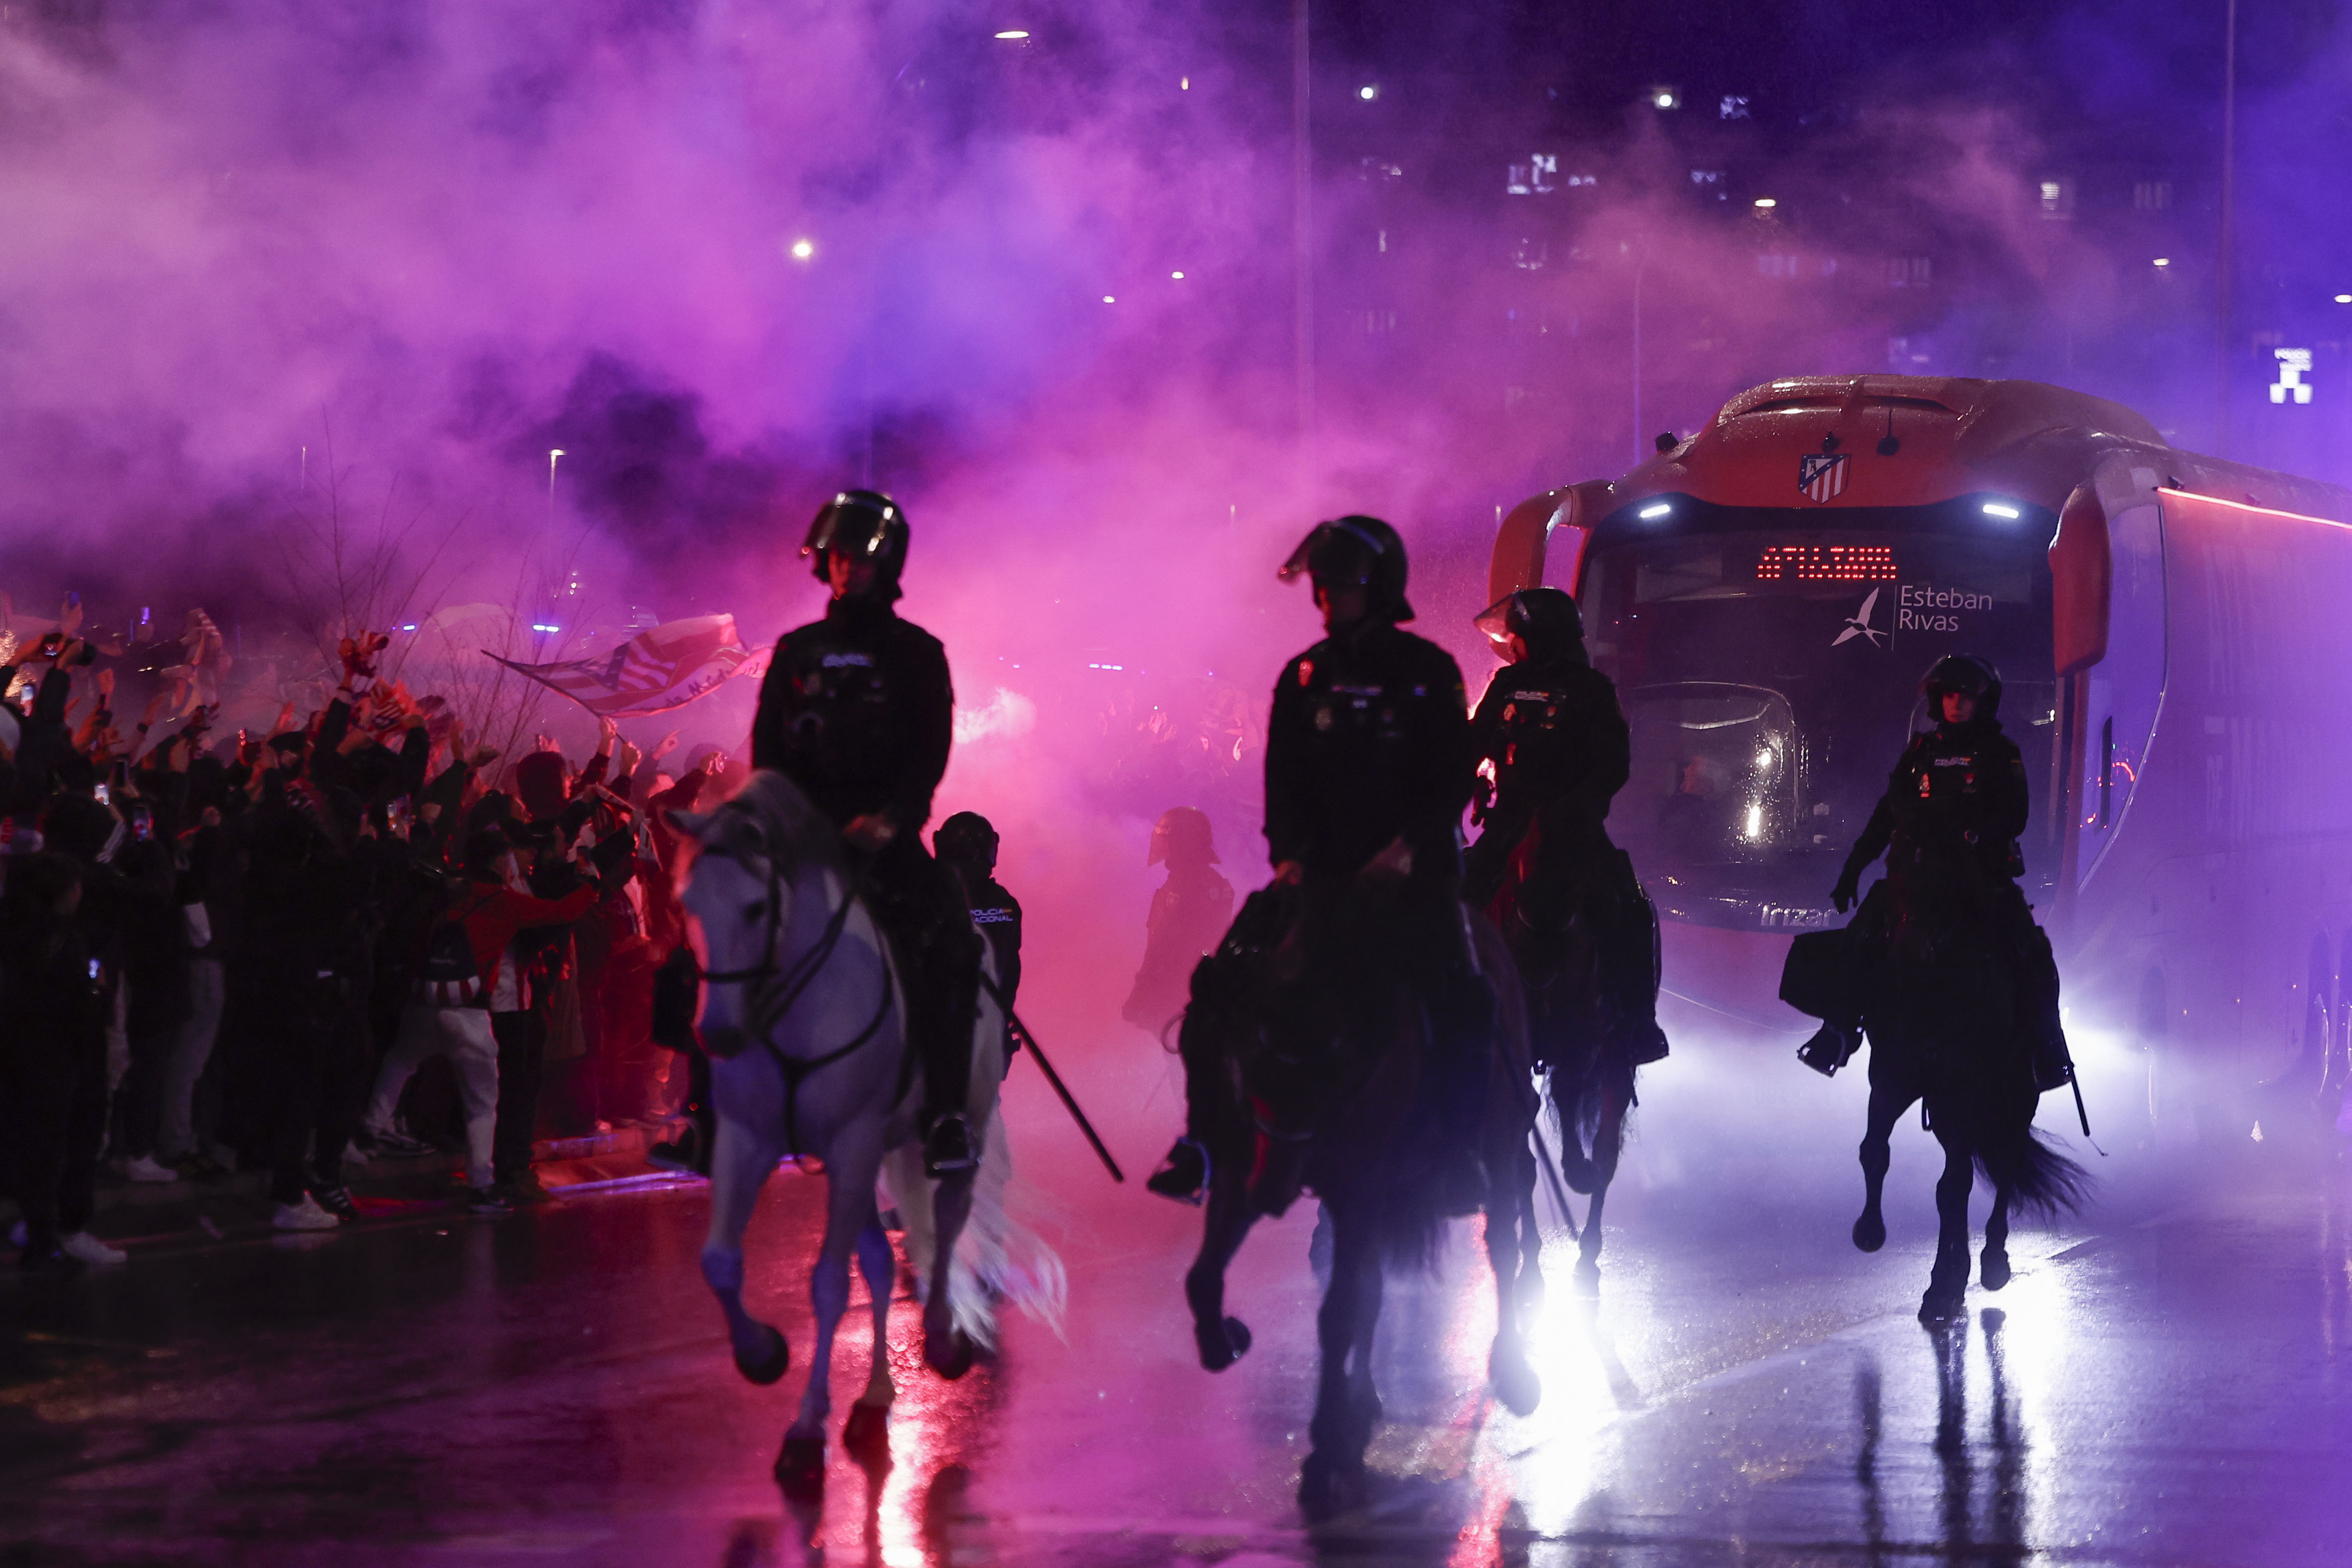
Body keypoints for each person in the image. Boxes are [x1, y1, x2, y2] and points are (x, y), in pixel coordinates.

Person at [1148, 515, 1490, 1203]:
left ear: (1380, 586)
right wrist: (1287, 856)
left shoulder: (1429, 671)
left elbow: (1450, 774)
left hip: (1411, 875)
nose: (1326, 598)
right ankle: (1204, 1145)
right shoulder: (1303, 675)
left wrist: (1406, 848)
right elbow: (1283, 779)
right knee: (1217, 988)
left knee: (1465, 999)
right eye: (1322, 586)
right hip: (1321, 875)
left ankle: (1458, 1152)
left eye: (1340, 585)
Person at [749, 490, 982, 1176]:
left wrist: (892, 820)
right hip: (809, 843)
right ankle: (710, 1110)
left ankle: (945, 1114)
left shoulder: (918, 653)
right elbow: (769, 753)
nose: (848, 569)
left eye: (861, 558)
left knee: (954, 947)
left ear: (888, 565)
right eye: (839, 557)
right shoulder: (797, 651)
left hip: (886, 840)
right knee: (715, 933)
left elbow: (927, 752)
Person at [1821, 653, 2067, 1078]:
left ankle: (2047, 1048)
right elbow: (1886, 816)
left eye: (1966, 697)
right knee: (1858, 940)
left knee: (2032, 950)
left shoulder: (2000, 753)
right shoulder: (1918, 752)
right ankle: (1837, 1032)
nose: (1956, 704)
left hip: (1981, 878)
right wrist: (1853, 868)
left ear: (1982, 702)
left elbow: (2016, 815)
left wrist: (1975, 835)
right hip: (1915, 876)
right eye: (1949, 695)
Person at [1463, 587, 1667, 1064]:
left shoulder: (1593, 691)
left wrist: (1573, 808)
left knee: (1627, 906)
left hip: (1572, 830)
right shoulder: (1504, 684)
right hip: (1508, 824)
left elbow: (1612, 766)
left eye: (1518, 636)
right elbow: (1472, 744)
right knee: (1449, 900)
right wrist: (1462, 783)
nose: (1512, 645)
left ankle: (1637, 1023)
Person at [1121, 807, 1233, 1039]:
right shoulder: (1218, 884)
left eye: (1168, 840)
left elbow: (1160, 946)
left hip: (1171, 994)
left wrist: (1140, 994)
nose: (1163, 848)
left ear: (1184, 844)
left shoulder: (1180, 889)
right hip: (1204, 990)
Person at [935, 811, 1021, 1068]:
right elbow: (1010, 971)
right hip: (985, 1026)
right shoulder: (1005, 905)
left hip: (942, 1023)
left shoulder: (928, 895)